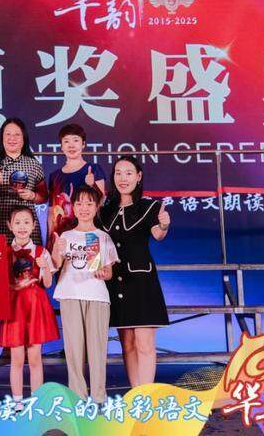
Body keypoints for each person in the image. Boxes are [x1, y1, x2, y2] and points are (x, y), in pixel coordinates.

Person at [98, 155, 170, 387]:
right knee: (127, 344)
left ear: (138, 177)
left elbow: (158, 235)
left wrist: (164, 225)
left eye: (128, 173)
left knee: (144, 344)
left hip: (142, 283)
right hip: (116, 283)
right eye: (118, 173)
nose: (123, 178)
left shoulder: (149, 207)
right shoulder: (104, 211)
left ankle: (146, 397)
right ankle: (136, 394)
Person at [52, 185, 118, 400]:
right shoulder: (66, 235)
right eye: (79, 203)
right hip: (70, 294)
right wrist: (57, 249)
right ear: (73, 207)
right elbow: (55, 265)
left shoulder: (102, 237)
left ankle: (99, 397)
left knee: (97, 349)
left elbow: (108, 272)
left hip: (97, 296)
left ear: (97, 207)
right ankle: (77, 398)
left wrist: (102, 273)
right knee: (74, 350)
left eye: (89, 203)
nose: (84, 208)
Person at [0, 207, 59, 409]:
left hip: (35, 308)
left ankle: (36, 401)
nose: (22, 226)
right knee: (16, 357)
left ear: (33, 226)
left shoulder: (41, 252)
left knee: (34, 357)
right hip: (14, 308)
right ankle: (17, 402)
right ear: (10, 226)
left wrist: (44, 266)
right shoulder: (3, 252)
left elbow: (47, 284)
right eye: (17, 222)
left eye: (26, 222)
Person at [0, 118, 47, 245]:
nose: (12, 138)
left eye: (17, 134)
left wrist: (32, 196)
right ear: (2, 137)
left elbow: (43, 196)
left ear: (24, 138)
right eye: (8, 134)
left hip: (26, 228)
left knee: (31, 258)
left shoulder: (34, 164)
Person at [46, 123, 105, 250]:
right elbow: (51, 212)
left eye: (76, 140)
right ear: (61, 146)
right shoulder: (54, 176)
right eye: (66, 141)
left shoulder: (94, 169)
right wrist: (50, 239)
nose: (71, 145)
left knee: (93, 263)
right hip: (62, 237)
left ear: (83, 144)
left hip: (89, 234)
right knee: (63, 263)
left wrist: (93, 185)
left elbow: (101, 202)